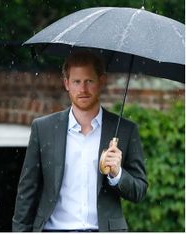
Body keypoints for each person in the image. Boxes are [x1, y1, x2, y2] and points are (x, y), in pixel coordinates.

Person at [12, 50, 147, 232]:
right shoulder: (43, 129)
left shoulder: (125, 130)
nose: (82, 89)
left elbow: (139, 191)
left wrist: (117, 173)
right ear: (66, 83)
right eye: (76, 81)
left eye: (89, 81)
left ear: (102, 81)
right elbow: (26, 193)